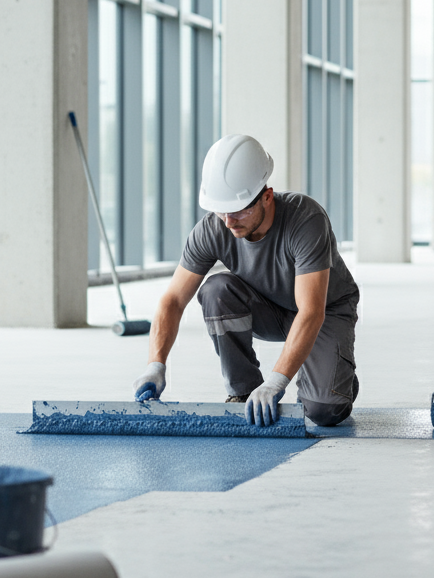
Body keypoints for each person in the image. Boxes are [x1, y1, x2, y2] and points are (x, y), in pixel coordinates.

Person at [132, 134, 360, 428]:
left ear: (267, 196)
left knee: (323, 411)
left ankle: (336, 376)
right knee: (215, 290)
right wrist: (155, 365)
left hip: (325, 311)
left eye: (238, 210)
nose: (228, 221)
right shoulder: (215, 228)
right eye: (220, 210)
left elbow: (311, 311)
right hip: (269, 306)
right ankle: (244, 391)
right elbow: (173, 300)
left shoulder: (306, 219)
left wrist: (277, 382)